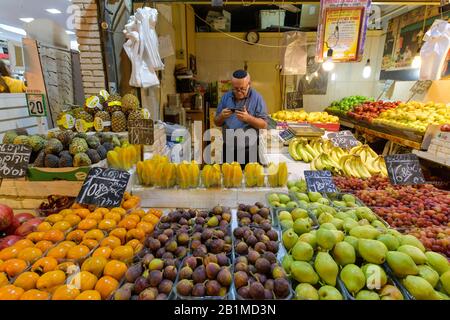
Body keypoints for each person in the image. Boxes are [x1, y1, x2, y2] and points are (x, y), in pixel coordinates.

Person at [214, 70, 268, 165]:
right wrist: (221, 116)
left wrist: (248, 118)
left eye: (242, 89)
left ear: (249, 84)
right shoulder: (225, 97)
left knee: (250, 178)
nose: (238, 92)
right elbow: (216, 122)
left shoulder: (257, 98)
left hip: (249, 150)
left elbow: (264, 124)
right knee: (229, 179)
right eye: (235, 89)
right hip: (228, 149)